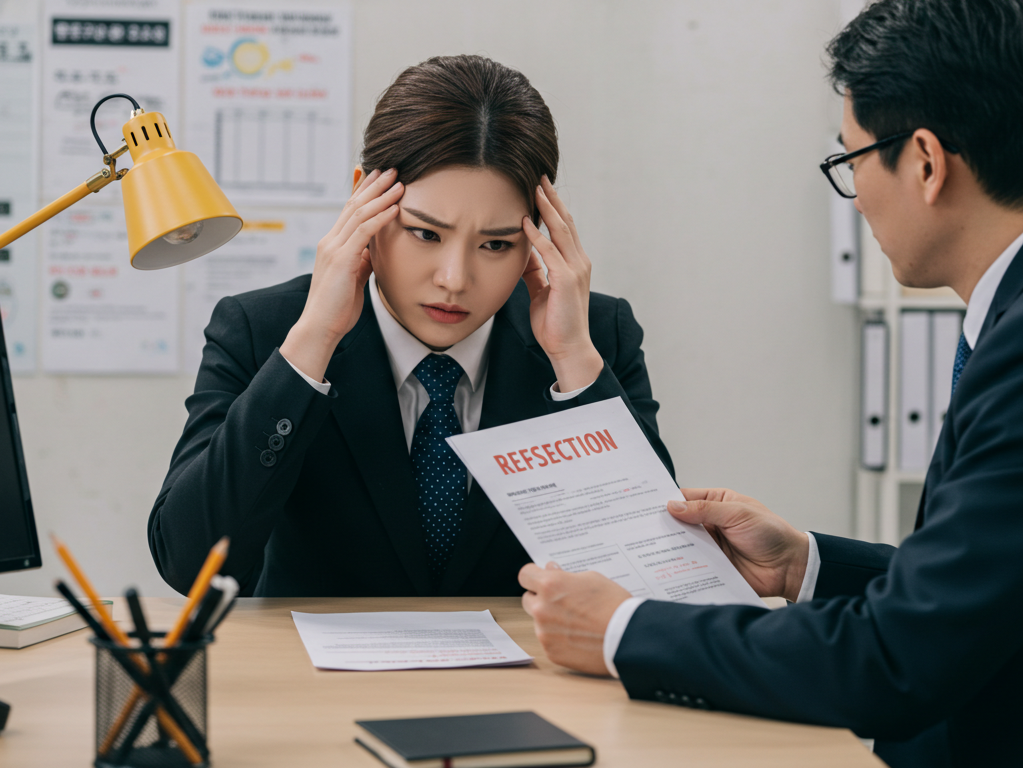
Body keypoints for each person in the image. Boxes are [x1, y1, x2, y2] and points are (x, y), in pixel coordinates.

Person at [516, 2, 1023, 766]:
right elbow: (986, 586)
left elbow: (898, 663)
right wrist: (803, 564)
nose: (858, 196)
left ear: (927, 162)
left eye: (853, 161)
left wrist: (622, 630)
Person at [149, 55, 672, 598]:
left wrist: (574, 363)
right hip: (311, 656)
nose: (454, 279)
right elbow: (189, 565)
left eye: (496, 244)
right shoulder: (264, 330)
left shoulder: (595, 336)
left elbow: (658, 575)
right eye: (426, 234)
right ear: (363, 201)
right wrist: (313, 342)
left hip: (527, 655)